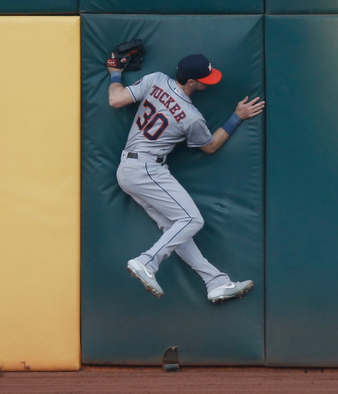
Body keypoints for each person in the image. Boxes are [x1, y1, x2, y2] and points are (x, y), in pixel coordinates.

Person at [107, 53, 265, 303]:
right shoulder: (191, 116)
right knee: (191, 219)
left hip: (127, 169)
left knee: (175, 230)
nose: (209, 82)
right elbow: (210, 146)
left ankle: (215, 282)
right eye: (205, 79)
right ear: (191, 81)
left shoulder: (156, 80)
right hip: (147, 169)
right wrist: (238, 116)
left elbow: (115, 99)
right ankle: (147, 261)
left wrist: (115, 72)